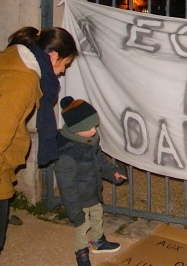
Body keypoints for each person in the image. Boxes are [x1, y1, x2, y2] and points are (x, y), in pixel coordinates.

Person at [0, 26, 78, 266]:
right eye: (65, 65)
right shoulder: (22, 80)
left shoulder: (9, 64)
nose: (61, 72)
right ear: (53, 56)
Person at [55, 96, 127, 266]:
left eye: (95, 126)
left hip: (92, 192)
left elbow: (100, 161)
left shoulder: (89, 141)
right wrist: (75, 212)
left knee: (97, 216)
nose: (94, 130)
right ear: (75, 129)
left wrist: (113, 173)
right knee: (82, 226)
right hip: (78, 199)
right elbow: (67, 187)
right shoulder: (67, 154)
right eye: (89, 127)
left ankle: (99, 241)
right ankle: (81, 252)